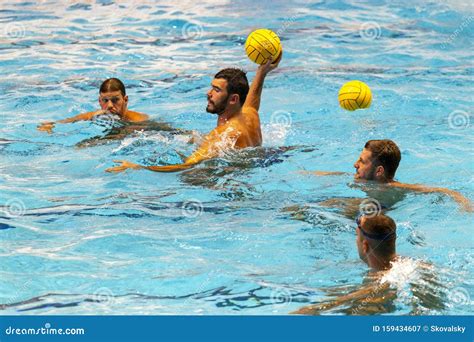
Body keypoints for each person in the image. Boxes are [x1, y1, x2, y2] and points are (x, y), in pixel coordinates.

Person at [106, 55, 281, 173]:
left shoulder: (222, 135)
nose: (208, 93)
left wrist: (137, 167)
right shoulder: (249, 116)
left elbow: (186, 165)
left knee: (190, 177)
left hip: (229, 178)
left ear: (233, 99)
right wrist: (262, 72)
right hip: (256, 161)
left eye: (216, 90)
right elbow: (252, 102)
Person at [307, 139, 472, 212]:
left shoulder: (395, 188)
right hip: (369, 207)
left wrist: (464, 203)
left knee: (325, 207)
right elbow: (338, 175)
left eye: (362, 161)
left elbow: (442, 191)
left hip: (382, 212)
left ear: (379, 171)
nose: (355, 164)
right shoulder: (363, 178)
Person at [37, 78, 149, 134]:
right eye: (105, 100)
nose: (109, 105)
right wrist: (52, 125)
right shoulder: (96, 115)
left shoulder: (138, 120)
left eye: (115, 100)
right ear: (99, 101)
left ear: (125, 100)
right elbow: (72, 120)